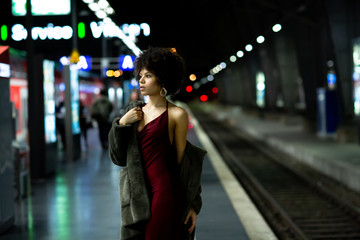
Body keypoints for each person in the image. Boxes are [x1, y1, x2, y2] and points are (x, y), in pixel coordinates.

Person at [108, 47, 206, 240]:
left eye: (148, 75)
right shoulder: (132, 113)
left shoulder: (177, 115)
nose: (141, 81)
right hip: (137, 195)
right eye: (140, 75)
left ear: (163, 78)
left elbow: (183, 164)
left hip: (164, 191)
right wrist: (121, 124)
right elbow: (118, 158)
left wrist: (192, 204)